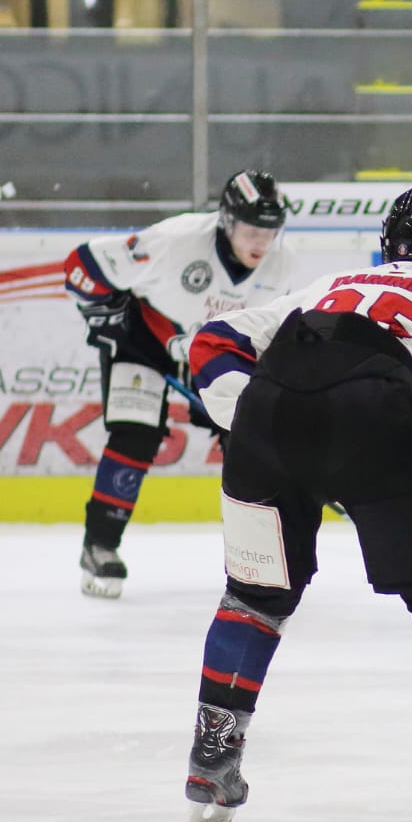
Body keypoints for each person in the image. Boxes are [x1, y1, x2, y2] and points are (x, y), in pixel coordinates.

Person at [179, 188, 412, 822]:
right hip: (379, 418)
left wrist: (264, 418)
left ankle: (210, 763)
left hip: (268, 418)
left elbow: (212, 341)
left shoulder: (331, 283)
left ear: (387, 247)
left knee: (254, 597)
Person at [63, 171, 297, 598]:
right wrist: (104, 316)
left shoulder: (285, 265)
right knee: (135, 436)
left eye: (269, 230)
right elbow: (82, 265)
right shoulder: (175, 240)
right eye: (250, 229)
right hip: (147, 341)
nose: (260, 242)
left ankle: (261, 556)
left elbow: (270, 333)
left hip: (216, 350)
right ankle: (100, 544)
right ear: (226, 221)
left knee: (247, 444)